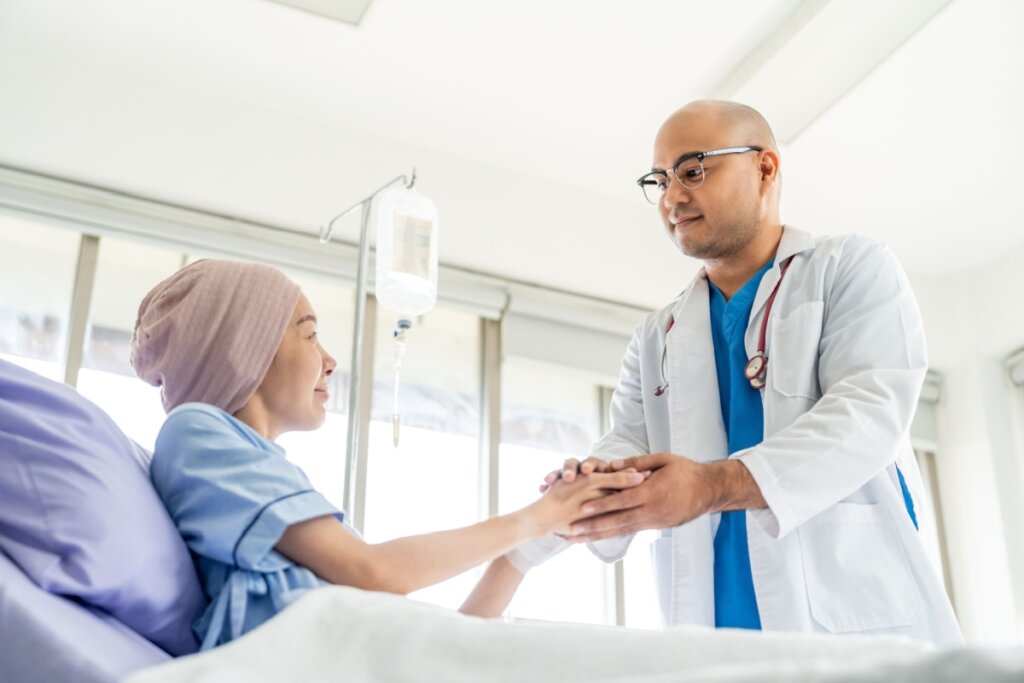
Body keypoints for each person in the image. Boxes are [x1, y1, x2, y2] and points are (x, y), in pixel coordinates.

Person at [511, 100, 962, 647]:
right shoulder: (656, 337)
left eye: (693, 170)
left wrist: (709, 487)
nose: (673, 197)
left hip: (856, 632)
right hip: (716, 640)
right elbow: (626, 444)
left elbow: (868, 417)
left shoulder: (850, 269)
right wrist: (592, 487)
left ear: (765, 168)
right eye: (660, 180)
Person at [130, 259, 643, 650]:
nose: (329, 361)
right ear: (246, 350)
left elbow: (445, 655)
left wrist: (530, 547)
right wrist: (536, 516)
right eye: (309, 333)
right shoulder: (195, 431)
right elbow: (376, 573)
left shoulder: (266, 485)